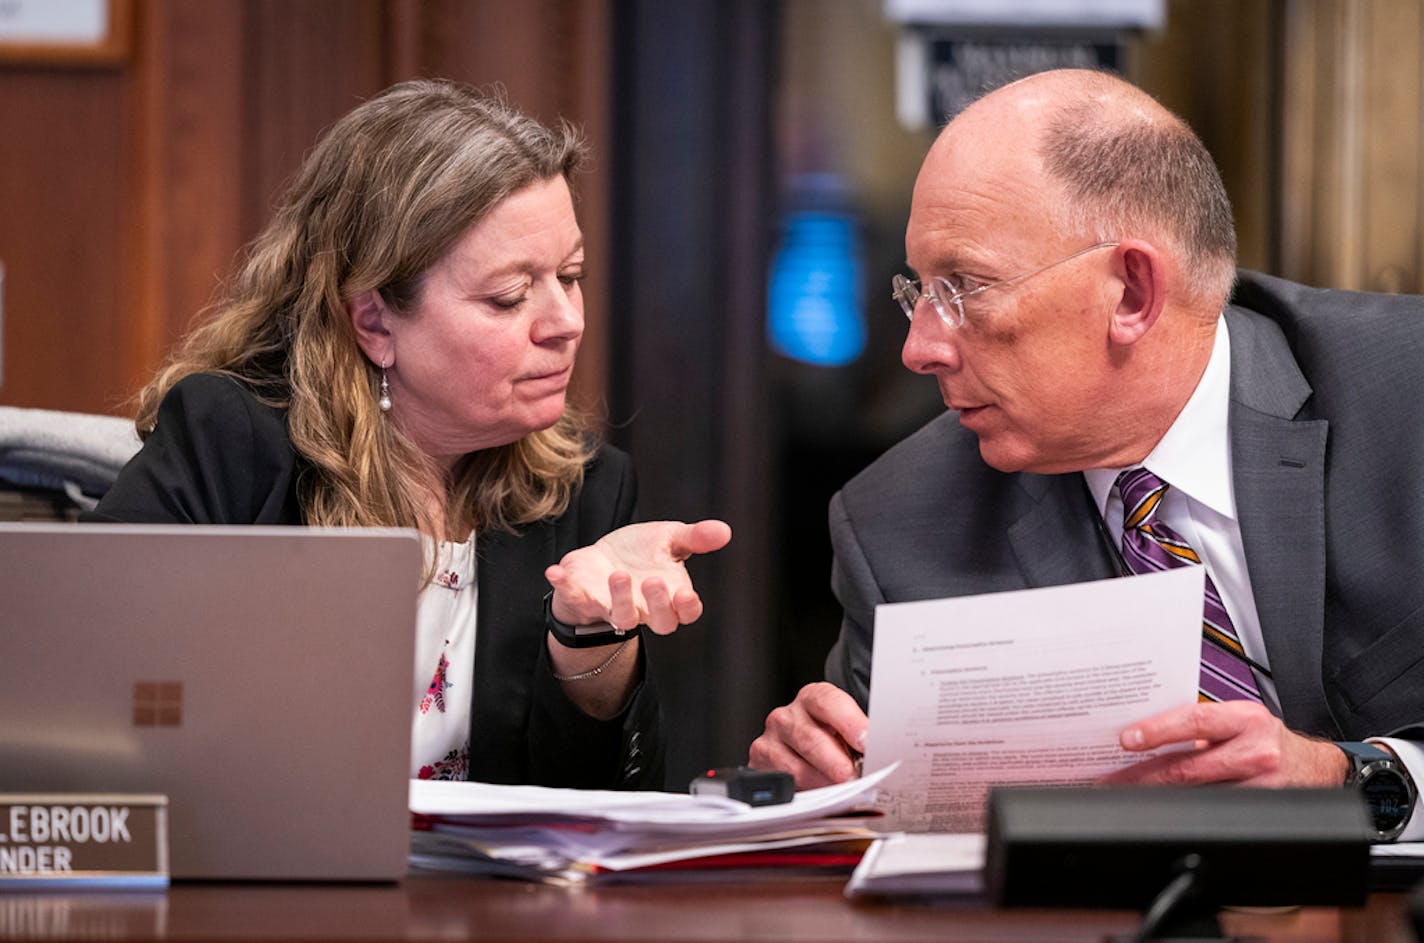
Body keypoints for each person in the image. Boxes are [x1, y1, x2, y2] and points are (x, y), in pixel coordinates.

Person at [750, 68, 1424, 834]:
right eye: (918, 291)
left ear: (1133, 292)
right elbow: (882, 824)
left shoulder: (1406, 401)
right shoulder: (902, 523)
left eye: (963, 288)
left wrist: (1359, 780)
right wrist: (821, 795)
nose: (920, 348)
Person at [87, 79, 731, 791]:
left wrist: (589, 638)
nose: (564, 322)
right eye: (510, 296)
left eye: (571, 276)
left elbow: (601, 815)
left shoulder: (585, 488)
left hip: (480, 905)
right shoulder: (231, 443)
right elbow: (86, 692)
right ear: (374, 322)